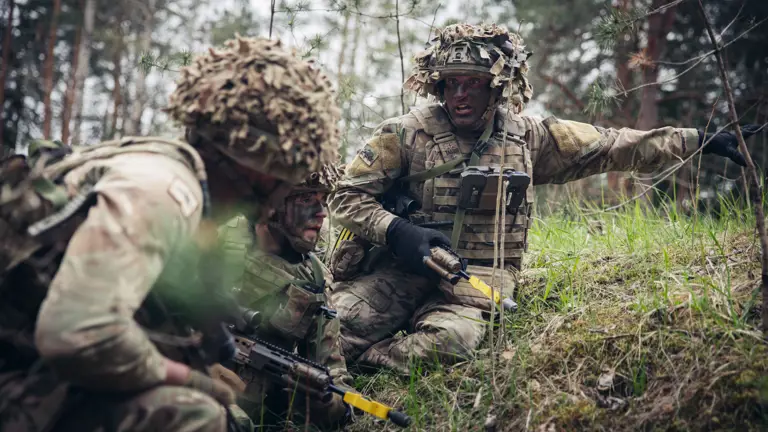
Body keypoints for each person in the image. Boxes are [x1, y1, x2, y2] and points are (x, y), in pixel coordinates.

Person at [326, 23, 760, 375]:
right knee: (329, 330)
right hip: (401, 268)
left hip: (477, 278)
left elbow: (612, 145)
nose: (459, 94)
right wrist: (397, 230)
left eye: (472, 84)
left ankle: (373, 361)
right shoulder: (404, 133)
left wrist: (695, 139)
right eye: (451, 84)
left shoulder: (529, 136)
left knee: (450, 346)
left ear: (496, 87)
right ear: (438, 87)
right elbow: (345, 198)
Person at [0, 36, 339, 432]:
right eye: (289, 177)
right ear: (263, 165)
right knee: (197, 415)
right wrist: (189, 379)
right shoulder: (163, 191)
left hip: (21, 351)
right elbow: (76, 334)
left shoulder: (158, 164)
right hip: (17, 372)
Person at [218, 163, 352, 430]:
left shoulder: (313, 278)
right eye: (305, 199)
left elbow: (332, 371)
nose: (321, 213)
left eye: (323, 200)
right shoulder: (217, 240)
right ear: (271, 203)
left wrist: (326, 401)